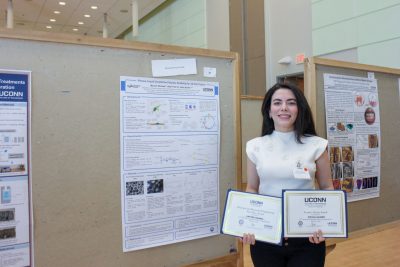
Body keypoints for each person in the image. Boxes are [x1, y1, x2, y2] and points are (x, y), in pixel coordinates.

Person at [242, 83, 333, 267]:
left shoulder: (317, 145)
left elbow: (327, 187)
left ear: (299, 109)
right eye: (277, 103)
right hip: (266, 236)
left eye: (291, 102)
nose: (283, 107)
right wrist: (248, 224)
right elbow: (252, 187)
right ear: (269, 110)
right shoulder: (255, 146)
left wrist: (327, 226)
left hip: (307, 237)